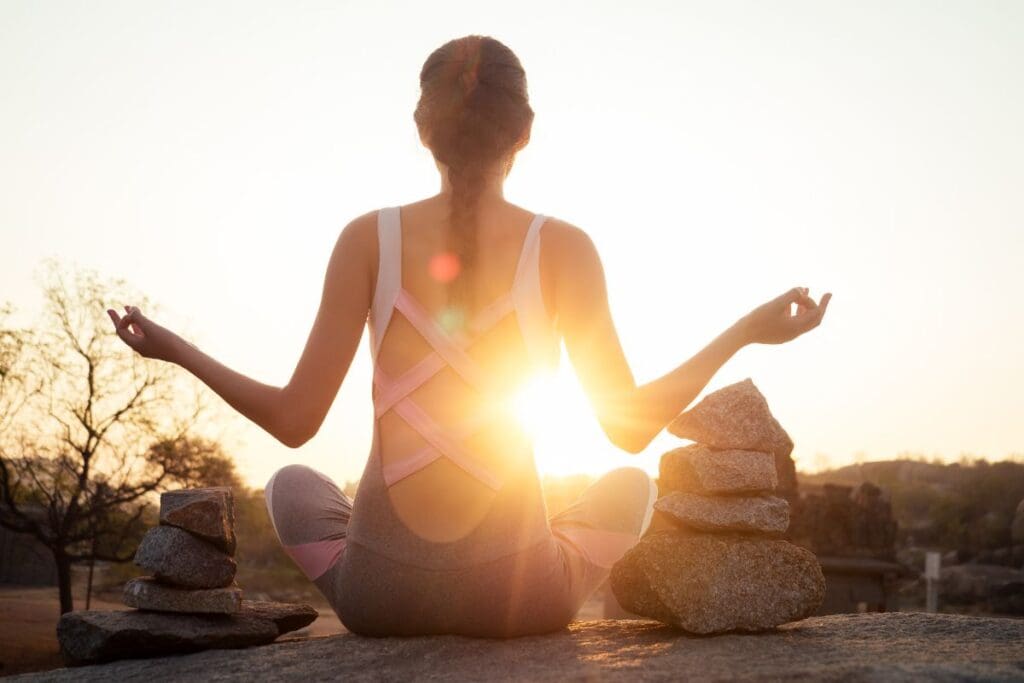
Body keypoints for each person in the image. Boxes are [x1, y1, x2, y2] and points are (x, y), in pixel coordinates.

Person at [107, 34, 831, 638]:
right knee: (632, 488)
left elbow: (295, 422)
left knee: (291, 485)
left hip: (379, 599)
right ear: (524, 131)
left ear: (423, 129)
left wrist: (175, 349)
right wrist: (743, 332)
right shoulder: (566, 248)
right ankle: (540, 537)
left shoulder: (366, 239)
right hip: (521, 598)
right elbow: (629, 429)